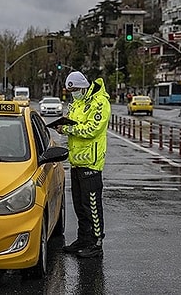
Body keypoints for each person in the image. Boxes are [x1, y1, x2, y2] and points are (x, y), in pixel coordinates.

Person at [54, 71, 110, 258]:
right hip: (77, 161)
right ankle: (83, 239)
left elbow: (92, 129)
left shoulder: (100, 103)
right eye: (71, 91)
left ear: (84, 86)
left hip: (91, 164)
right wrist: (63, 125)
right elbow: (74, 121)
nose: (73, 93)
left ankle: (96, 243)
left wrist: (68, 128)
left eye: (76, 89)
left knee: (92, 206)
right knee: (79, 205)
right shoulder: (77, 103)